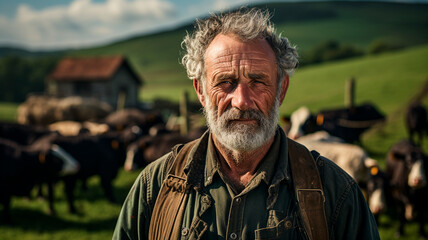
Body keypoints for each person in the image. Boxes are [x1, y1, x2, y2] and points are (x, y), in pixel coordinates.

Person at [113, 8, 380, 240]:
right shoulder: (155, 187)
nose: (241, 101)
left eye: (258, 81)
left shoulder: (335, 193)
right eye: (225, 82)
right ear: (201, 91)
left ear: (281, 89)